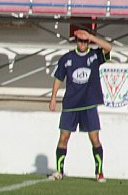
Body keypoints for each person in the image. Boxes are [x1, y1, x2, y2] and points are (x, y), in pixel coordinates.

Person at [48, 29, 112, 183]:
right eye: (80, 41)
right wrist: (53, 97)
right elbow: (58, 78)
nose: (82, 44)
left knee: (94, 138)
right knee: (63, 137)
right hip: (71, 104)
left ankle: (99, 173)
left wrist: (91, 36)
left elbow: (109, 48)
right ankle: (59, 171)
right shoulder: (67, 58)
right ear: (76, 41)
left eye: (85, 41)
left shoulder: (95, 56)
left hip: (89, 104)